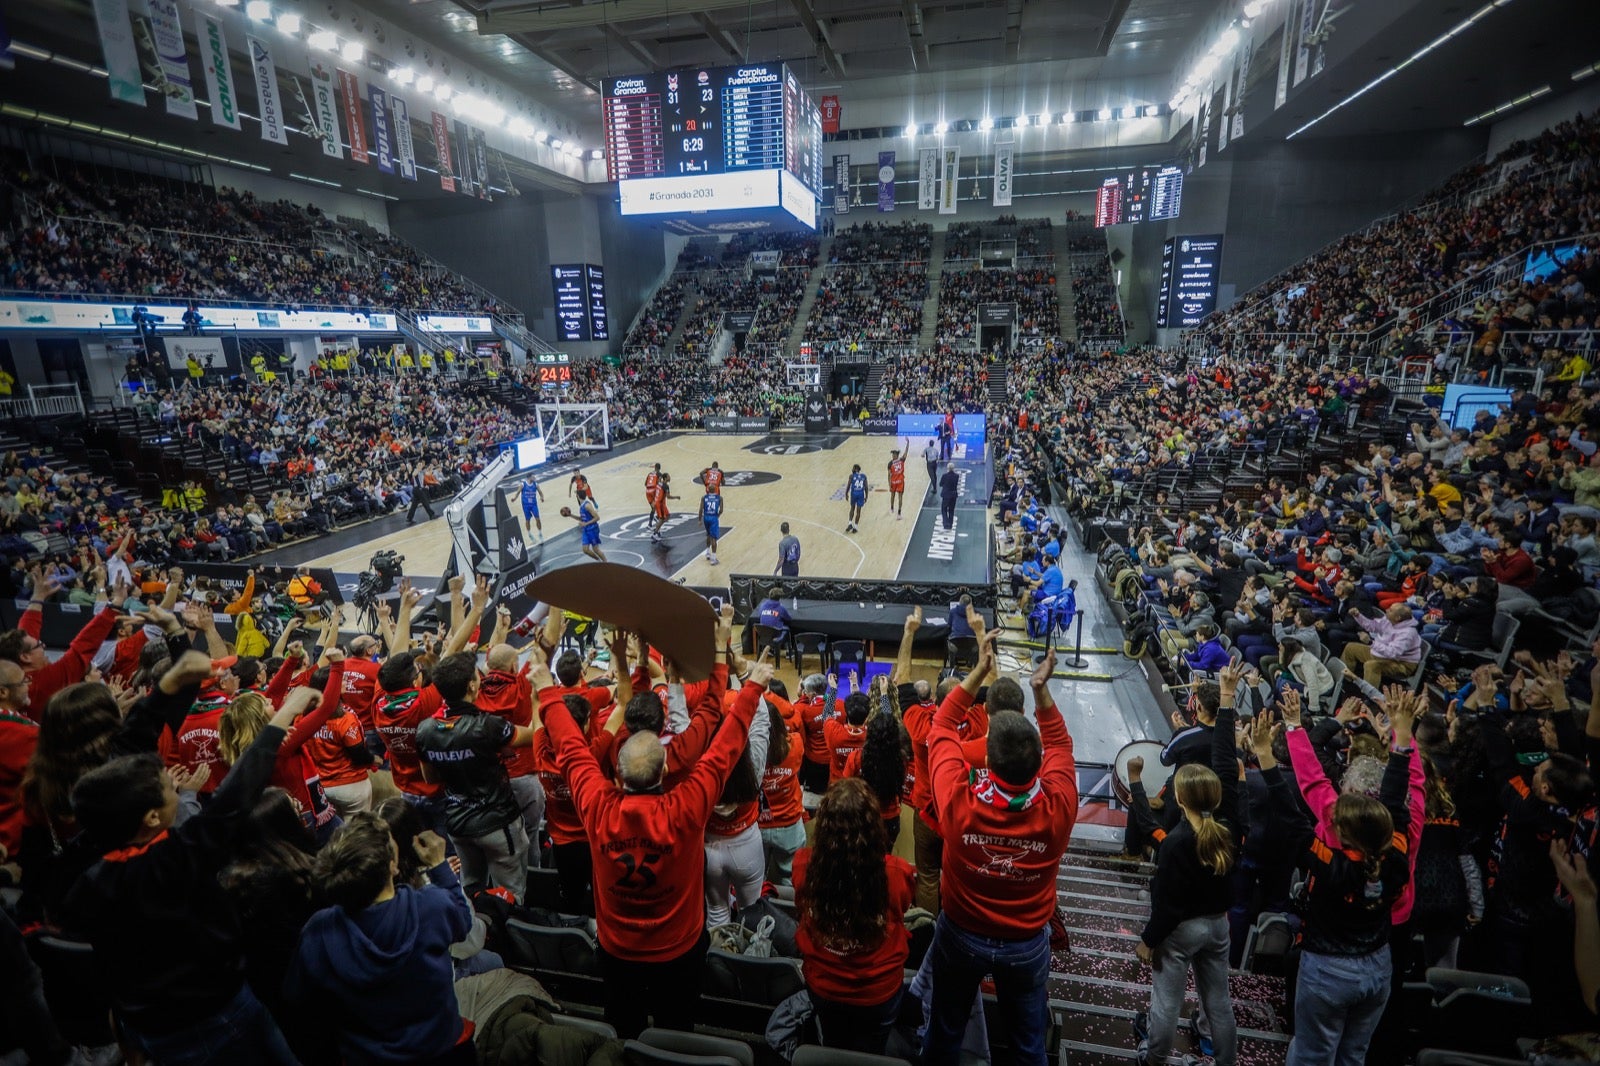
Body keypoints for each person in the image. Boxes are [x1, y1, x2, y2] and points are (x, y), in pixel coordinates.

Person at [62, 656, 316, 1066]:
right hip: (217, 1017)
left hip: (149, 1026)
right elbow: (234, 796)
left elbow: (124, 755)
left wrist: (169, 686)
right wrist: (283, 715)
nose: (174, 783)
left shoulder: (91, 864)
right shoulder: (176, 859)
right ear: (150, 817)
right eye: (168, 787)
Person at [538, 608, 771, 1038]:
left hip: (616, 951)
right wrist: (749, 682)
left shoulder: (597, 804)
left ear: (617, 775)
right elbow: (722, 739)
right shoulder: (685, 808)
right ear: (664, 773)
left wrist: (546, 694)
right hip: (678, 951)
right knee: (677, 1027)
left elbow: (570, 748)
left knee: (623, 1029)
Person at [922, 637, 1077, 1065]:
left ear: (986, 761)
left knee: (945, 1031)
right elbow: (1062, 746)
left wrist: (977, 672)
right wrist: (1041, 689)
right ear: (1039, 763)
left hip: (961, 933)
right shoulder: (1058, 809)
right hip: (1026, 942)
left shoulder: (958, 805)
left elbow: (941, 728)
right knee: (1029, 1044)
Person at [284, 813, 475, 1065]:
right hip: (442, 1051)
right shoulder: (431, 907)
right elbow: (463, 921)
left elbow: (297, 1000)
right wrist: (439, 866)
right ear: (392, 867)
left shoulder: (318, 932)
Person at [1132, 663, 1242, 1066]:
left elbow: (1167, 903)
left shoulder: (1177, 842)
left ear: (1180, 801)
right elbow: (1226, 764)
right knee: (1219, 1003)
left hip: (1182, 930)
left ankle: (1156, 1058)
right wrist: (1226, 703)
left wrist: (1148, 938)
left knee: (1166, 1001)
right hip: (1219, 925)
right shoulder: (1230, 825)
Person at [793, 777, 915, 1054]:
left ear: (823, 827)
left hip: (824, 987)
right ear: (874, 827)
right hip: (878, 992)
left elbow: (802, 906)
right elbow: (902, 907)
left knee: (835, 1045)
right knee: (871, 1052)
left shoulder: (803, 865)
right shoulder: (896, 873)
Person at [413, 647, 537, 901]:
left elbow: (431, 779)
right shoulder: (488, 726)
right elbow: (534, 735)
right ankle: (509, 938)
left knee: (470, 890)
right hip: (497, 823)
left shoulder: (424, 730)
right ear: (471, 686)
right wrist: (537, 699)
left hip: (459, 824)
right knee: (511, 894)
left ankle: (477, 937)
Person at [568, 491, 606, 563]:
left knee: (596, 549)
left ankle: (606, 563)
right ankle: (599, 561)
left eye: (576, 495)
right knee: (585, 550)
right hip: (586, 530)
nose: (576, 496)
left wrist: (585, 524)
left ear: (578, 496)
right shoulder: (582, 506)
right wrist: (571, 515)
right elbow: (582, 518)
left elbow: (597, 517)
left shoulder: (587, 505)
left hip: (592, 529)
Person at [649, 472, 678, 543]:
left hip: (659, 502)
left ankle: (657, 526)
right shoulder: (665, 486)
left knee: (667, 516)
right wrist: (676, 497)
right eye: (668, 476)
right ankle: (655, 534)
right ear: (665, 478)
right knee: (662, 519)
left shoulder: (659, 483)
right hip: (660, 504)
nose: (670, 477)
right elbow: (668, 497)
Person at [700, 489, 723, 566]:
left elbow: (700, 509)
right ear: (716, 489)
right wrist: (717, 516)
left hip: (706, 518)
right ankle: (713, 559)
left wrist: (699, 520)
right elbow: (721, 510)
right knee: (714, 538)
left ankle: (707, 553)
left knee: (708, 534)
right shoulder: (719, 498)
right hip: (713, 518)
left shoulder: (704, 497)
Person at [845, 464, 869, 534]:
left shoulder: (851, 476)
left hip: (854, 493)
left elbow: (849, 485)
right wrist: (866, 496)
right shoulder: (864, 476)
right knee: (858, 511)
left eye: (853, 468)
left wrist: (846, 493)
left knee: (852, 508)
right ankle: (855, 527)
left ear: (856, 469)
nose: (852, 469)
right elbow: (866, 487)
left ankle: (850, 524)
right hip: (861, 494)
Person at [888, 443, 908, 520]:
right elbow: (889, 475)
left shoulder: (891, 463)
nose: (892, 455)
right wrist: (889, 484)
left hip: (899, 482)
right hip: (896, 482)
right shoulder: (901, 460)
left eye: (893, 454)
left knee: (899, 497)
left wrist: (908, 444)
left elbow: (888, 475)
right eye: (892, 454)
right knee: (893, 496)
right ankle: (892, 508)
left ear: (896, 455)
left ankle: (898, 512)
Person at [940, 462, 961, 531]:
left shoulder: (944, 476)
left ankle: (946, 524)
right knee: (951, 510)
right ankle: (950, 524)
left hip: (946, 495)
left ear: (948, 468)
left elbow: (940, 484)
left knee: (944, 509)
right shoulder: (957, 476)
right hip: (953, 495)